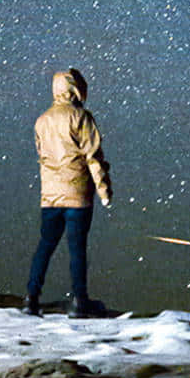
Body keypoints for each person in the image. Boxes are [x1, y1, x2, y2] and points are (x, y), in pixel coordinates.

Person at [23, 67, 112, 318]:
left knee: (46, 245)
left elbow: (43, 155)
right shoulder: (81, 117)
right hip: (77, 195)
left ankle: (31, 298)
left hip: (49, 196)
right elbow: (93, 157)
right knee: (77, 248)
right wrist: (104, 190)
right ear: (75, 89)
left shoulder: (42, 120)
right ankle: (79, 301)